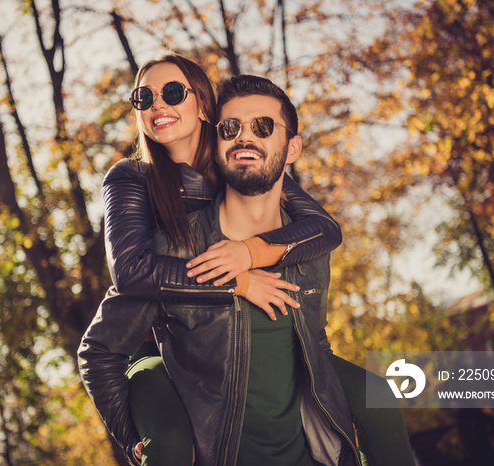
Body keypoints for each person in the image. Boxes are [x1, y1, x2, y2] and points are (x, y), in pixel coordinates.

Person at [79, 53, 343, 466]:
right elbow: (131, 272)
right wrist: (237, 281)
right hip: (158, 346)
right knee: (167, 447)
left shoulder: (237, 163)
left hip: (223, 345)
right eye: (143, 98)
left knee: (378, 402)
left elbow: (323, 228)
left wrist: (251, 252)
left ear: (203, 104)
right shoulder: (132, 178)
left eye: (171, 93)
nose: (157, 106)